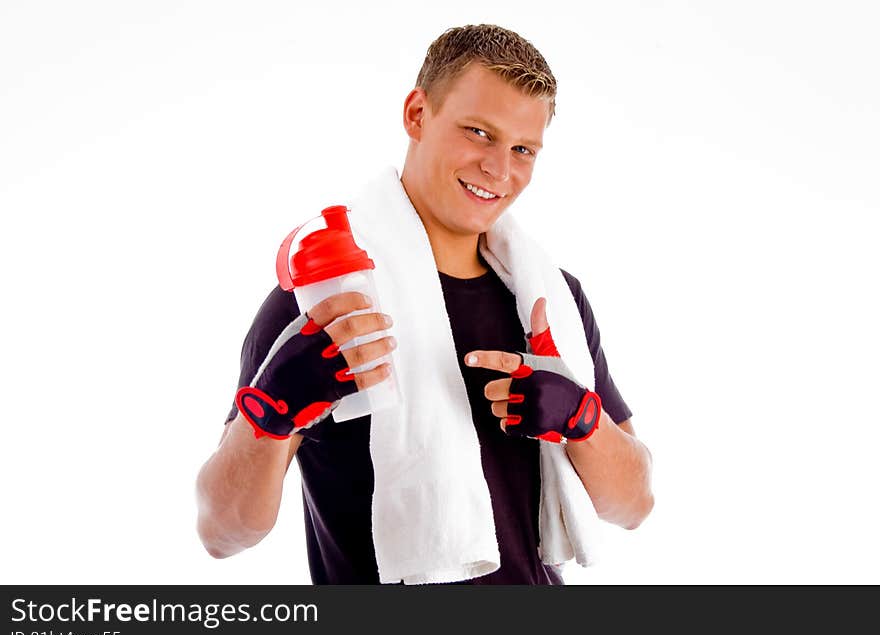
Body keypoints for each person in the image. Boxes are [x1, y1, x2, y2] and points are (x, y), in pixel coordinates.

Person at [195, 24, 653, 584]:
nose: (499, 169)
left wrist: (582, 420)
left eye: (522, 149)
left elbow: (633, 505)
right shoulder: (326, 302)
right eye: (479, 133)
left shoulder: (552, 299)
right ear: (417, 115)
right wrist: (271, 412)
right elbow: (222, 532)